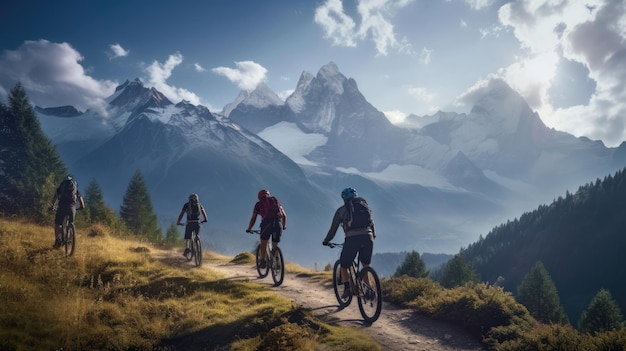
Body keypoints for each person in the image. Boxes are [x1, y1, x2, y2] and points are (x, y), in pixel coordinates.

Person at [322, 187, 376, 298]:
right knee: (365, 264)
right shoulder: (364, 206)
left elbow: (333, 230)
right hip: (368, 236)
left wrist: (326, 241)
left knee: (343, 264)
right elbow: (371, 223)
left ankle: (347, 289)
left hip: (352, 239)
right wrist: (372, 236)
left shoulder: (341, 210)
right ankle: (369, 289)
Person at [246, 189, 287, 268]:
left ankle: (263, 261)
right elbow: (284, 216)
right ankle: (277, 261)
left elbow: (253, 218)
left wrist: (249, 228)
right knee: (275, 244)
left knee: (263, 241)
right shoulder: (275, 202)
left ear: (259, 197)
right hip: (278, 224)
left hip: (267, 224)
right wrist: (284, 226)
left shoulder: (258, 204)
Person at [49, 175, 85, 249]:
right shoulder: (75, 188)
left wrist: (52, 206)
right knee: (71, 222)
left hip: (62, 207)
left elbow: (55, 197)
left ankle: (58, 239)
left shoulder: (61, 187)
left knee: (58, 224)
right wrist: (82, 206)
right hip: (72, 208)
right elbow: (80, 198)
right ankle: (71, 240)